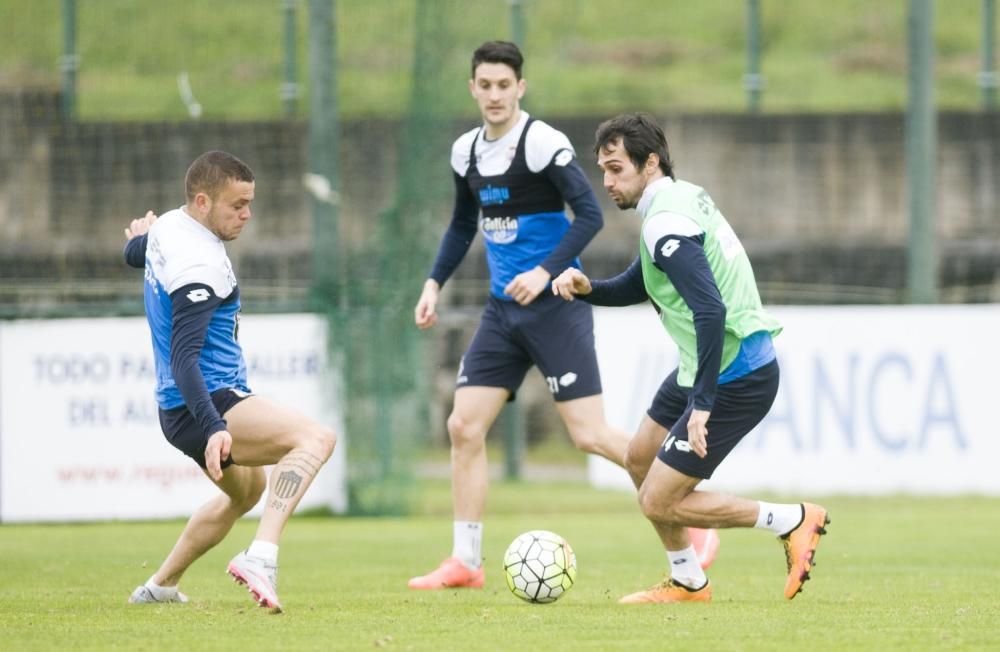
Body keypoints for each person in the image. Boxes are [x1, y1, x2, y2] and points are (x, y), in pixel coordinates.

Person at [409, 42, 718, 590]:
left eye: (505, 85)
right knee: (463, 425)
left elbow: (590, 215)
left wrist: (544, 270)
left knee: (591, 435)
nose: (496, 94)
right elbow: (461, 226)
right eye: (486, 85)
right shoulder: (466, 154)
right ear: (473, 89)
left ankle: (690, 523)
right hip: (503, 313)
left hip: (556, 307)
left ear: (520, 88)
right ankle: (466, 561)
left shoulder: (541, 144)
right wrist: (434, 283)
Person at [551, 113, 830, 604]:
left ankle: (792, 520)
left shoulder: (665, 222)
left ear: (650, 162)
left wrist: (702, 404)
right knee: (638, 458)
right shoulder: (677, 200)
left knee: (657, 499)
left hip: (735, 373)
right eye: (603, 171)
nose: (608, 182)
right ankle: (688, 580)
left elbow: (710, 309)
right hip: (704, 364)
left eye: (616, 169)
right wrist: (588, 288)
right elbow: (643, 282)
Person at [122, 151, 337, 612]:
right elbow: (184, 358)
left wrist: (139, 238)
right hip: (206, 400)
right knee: (315, 440)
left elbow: (133, 252)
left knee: (250, 492)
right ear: (202, 202)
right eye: (236, 205)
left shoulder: (169, 228)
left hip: (178, 408)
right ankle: (262, 557)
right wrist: (216, 425)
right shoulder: (200, 266)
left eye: (249, 203)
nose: (247, 215)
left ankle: (160, 585)